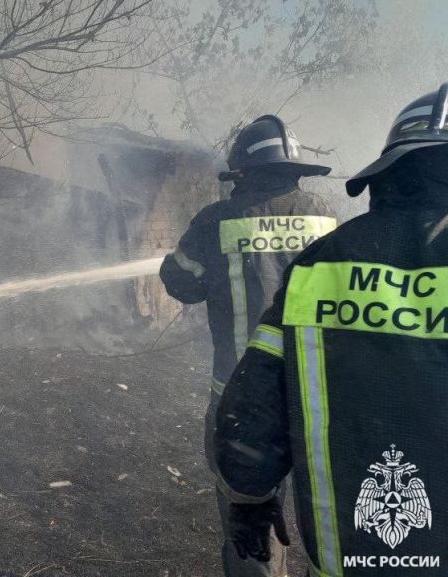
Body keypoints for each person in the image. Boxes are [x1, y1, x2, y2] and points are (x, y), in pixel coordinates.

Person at [215, 84, 448, 577]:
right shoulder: (321, 219)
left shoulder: (324, 263)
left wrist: (249, 499)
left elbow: (251, 414)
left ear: (391, 173)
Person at [159, 114, 336, 577]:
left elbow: (180, 281)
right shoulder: (327, 218)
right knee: (332, 515)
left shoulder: (216, 220)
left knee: (250, 525)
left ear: (241, 173)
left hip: (242, 400)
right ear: (296, 171)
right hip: (318, 396)